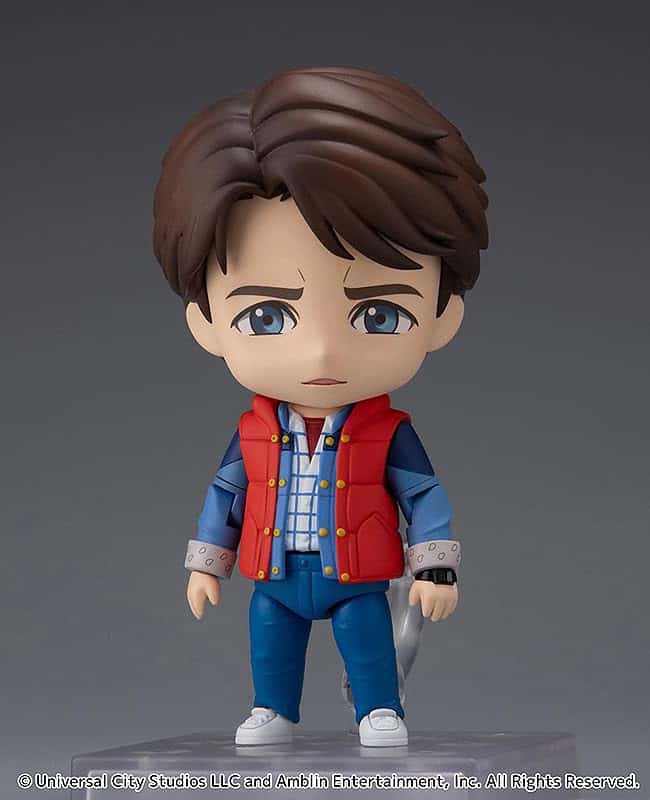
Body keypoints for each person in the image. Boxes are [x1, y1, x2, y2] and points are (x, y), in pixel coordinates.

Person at [153, 66, 488, 747]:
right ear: (206, 324)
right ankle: (272, 709)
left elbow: (423, 495)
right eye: (268, 316)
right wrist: (206, 561)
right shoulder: (253, 431)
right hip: (275, 572)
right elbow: (226, 495)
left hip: (356, 574)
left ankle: (378, 709)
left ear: (443, 315)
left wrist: (435, 567)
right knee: (270, 640)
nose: (322, 352)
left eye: (378, 314)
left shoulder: (388, 432)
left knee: (367, 643)